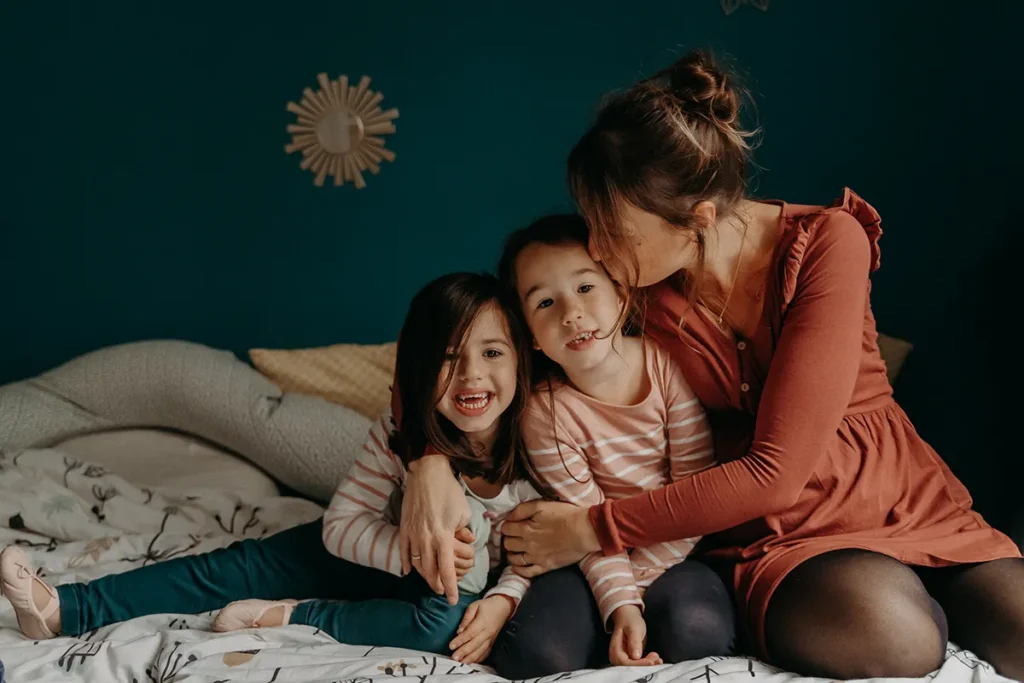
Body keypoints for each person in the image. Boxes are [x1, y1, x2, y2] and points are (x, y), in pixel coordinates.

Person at [395, 51, 1024, 680]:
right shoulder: (628, 288)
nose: (597, 248)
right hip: (781, 535)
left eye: (613, 229)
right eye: (592, 222)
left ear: (697, 219)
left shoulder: (830, 243)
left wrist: (594, 527)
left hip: (900, 499)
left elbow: (776, 470)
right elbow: (474, 338)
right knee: (897, 640)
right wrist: (428, 458)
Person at [1, 272, 545, 665]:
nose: (472, 376)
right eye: (449, 359)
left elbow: (538, 549)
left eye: (493, 353)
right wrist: (408, 551)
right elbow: (340, 526)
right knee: (237, 566)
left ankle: (292, 616)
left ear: (520, 360)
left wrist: (503, 598)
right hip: (377, 551)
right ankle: (67, 606)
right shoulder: (397, 430)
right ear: (419, 371)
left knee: (439, 628)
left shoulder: (539, 442)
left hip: (449, 595)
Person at [493, 214, 735, 671]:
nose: (570, 313)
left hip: (677, 547)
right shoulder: (544, 413)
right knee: (538, 654)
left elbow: (694, 497)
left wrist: (634, 593)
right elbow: (580, 522)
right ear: (531, 338)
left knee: (696, 631)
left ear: (621, 295)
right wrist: (620, 604)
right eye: (544, 302)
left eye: (586, 288)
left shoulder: (666, 366)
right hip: (587, 556)